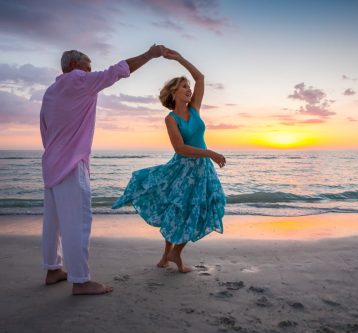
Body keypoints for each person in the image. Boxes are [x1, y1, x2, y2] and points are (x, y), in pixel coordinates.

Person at [40, 44, 167, 295]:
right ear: (74, 67)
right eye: (88, 68)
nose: (90, 73)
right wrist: (149, 55)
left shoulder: (51, 91)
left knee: (52, 223)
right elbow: (117, 71)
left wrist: (57, 153)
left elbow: (44, 129)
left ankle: (53, 269)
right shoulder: (78, 81)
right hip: (71, 165)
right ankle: (80, 281)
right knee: (78, 223)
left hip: (51, 163)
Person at [112, 49, 226, 273]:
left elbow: (200, 78)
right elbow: (180, 148)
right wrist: (210, 153)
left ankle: (171, 254)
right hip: (183, 168)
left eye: (188, 87)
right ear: (174, 93)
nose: (189, 89)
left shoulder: (195, 109)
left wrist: (180, 59)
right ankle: (171, 254)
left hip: (202, 170)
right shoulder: (170, 118)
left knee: (198, 208)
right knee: (177, 208)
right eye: (184, 86)